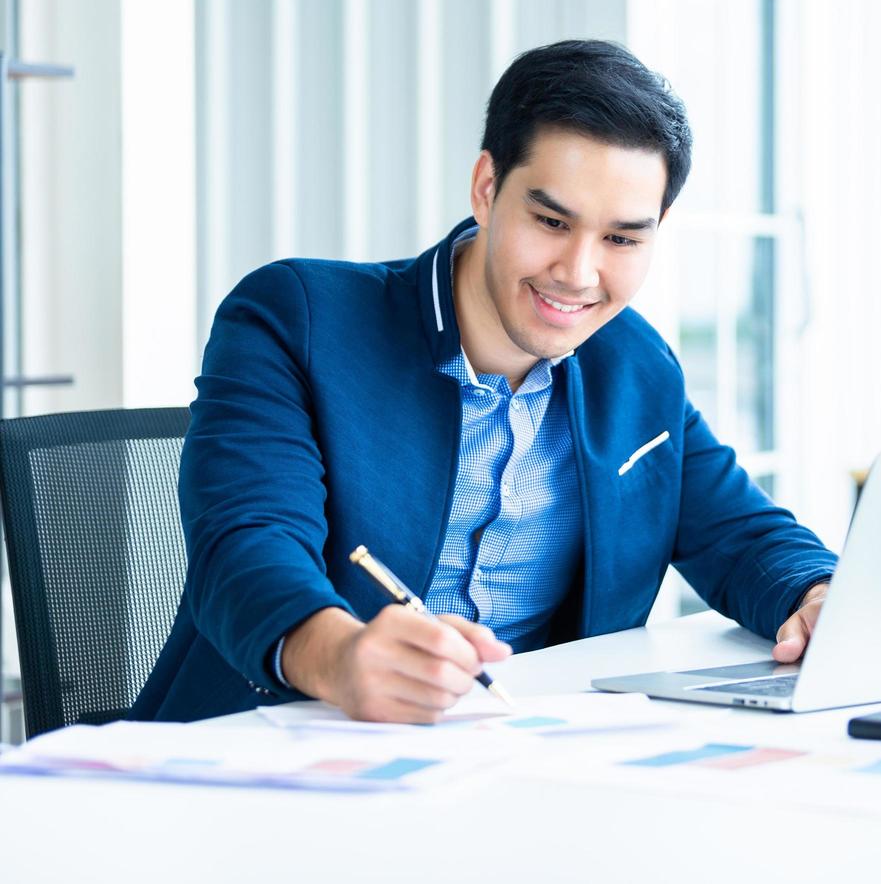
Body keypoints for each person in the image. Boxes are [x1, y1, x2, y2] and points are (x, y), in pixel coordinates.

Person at [130, 40, 837, 723]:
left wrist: (820, 595)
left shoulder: (636, 364)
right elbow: (248, 542)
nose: (579, 272)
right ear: (487, 188)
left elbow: (741, 534)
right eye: (551, 220)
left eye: (622, 238)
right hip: (265, 757)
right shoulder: (301, 319)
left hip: (520, 768)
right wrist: (340, 656)